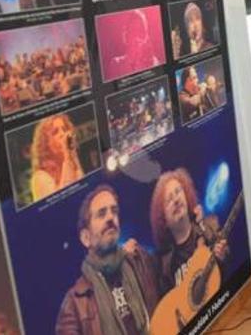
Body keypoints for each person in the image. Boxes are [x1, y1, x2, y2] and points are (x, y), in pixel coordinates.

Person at [56, 185, 160, 335]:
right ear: (86, 238)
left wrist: (198, 225)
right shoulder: (74, 304)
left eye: (114, 211)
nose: (110, 217)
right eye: (101, 214)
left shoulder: (140, 262)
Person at [149, 169, 227, 295]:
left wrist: (222, 258)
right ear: (163, 219)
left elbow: (227, 264)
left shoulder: (209, 227)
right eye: (169, 200)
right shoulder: (163, 266)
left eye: (178, 191)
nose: (176, 200)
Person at [29, 113, 86, 203]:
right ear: (45, 143)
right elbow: (63, 200)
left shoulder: (69, 163)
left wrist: (74, 156)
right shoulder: (39, 177)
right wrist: (67, 155)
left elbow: (84, 190)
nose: (62, 134)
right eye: (55, 132)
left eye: (64, 129)